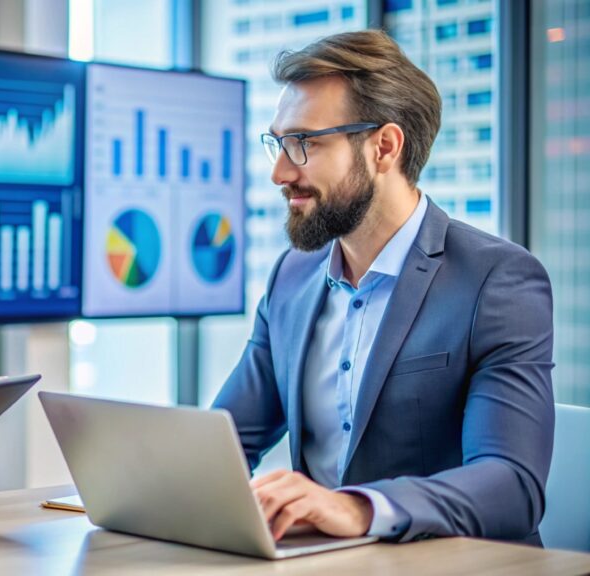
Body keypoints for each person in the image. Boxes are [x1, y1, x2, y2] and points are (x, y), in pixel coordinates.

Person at [212, 30, 554, 545]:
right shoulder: (292, 278)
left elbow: (512, 486)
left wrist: (358, 509)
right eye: (278, 145)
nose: (280, 173)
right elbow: (225, 442)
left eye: (304, 144)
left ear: (384, 147)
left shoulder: (498, 281)